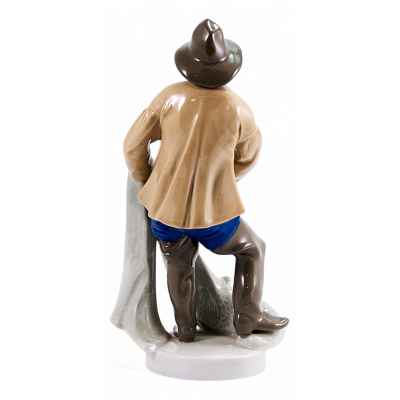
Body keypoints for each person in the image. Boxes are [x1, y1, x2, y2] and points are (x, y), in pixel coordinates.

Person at [123, 19, 289, 342]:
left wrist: (148, 180)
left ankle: (185, 330)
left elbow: (132, 145)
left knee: (179, 264)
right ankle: (247, 316)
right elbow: (249, 155)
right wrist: (220, 182)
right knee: (252, 249)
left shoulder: (168, 98)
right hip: (214, 220)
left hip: (165, 214)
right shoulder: (238, 110)